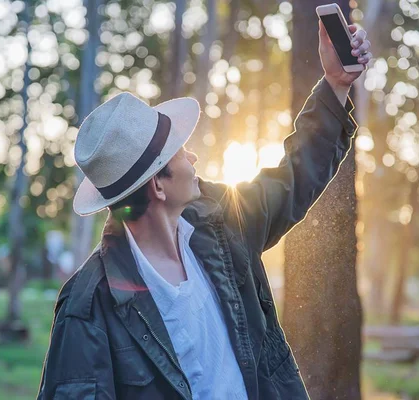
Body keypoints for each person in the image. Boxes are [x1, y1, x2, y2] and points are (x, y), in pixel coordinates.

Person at [38, 21, 372, 400]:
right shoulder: (87, 306)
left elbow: (294, 176)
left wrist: (335, 83)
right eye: (179, 151)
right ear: (158, 185)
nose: (192, 155)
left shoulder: (224, 223)